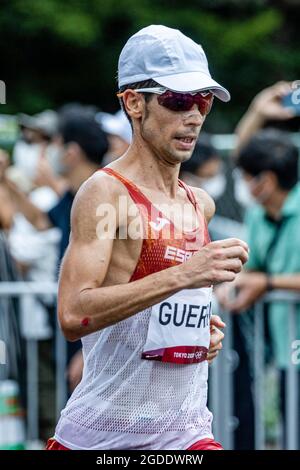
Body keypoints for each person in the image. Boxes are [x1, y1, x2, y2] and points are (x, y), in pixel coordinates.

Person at [46, 25, 249, 451]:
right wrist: (185, 275)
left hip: (188, 431)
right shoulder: (107, 193)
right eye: (177, 101)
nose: (193, 115)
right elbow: (72, 314)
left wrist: (198, 337)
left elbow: (160, 312)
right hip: (104, 437)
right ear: (135, 103)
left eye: (203, 100)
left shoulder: (200, 203)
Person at [217, 129, 300, 448]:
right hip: (286, 347)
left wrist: (266, 283)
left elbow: (261, 277)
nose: (244, 185)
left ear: (264, 180)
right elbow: (251, 267)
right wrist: (235, 283)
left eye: (247, 177)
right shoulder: (257, 215)